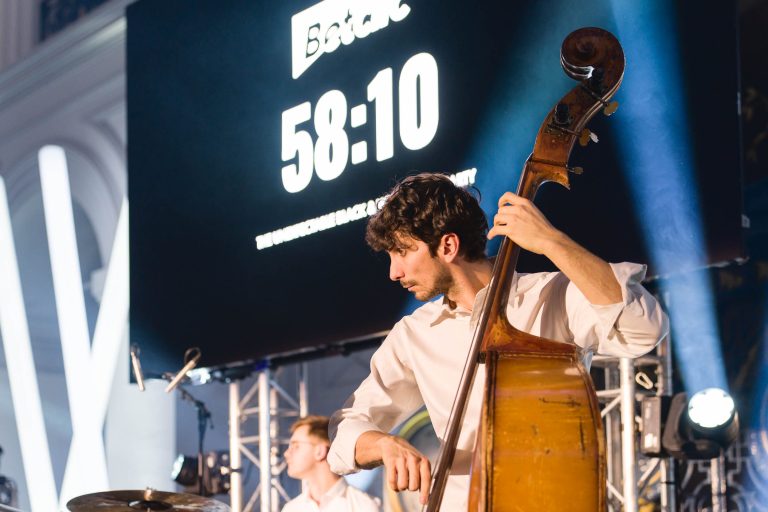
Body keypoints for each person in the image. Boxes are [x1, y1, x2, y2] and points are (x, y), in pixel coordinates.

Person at [327, 172, 669, 510]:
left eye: (401, 252)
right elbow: (345, 430)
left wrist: (552, 241)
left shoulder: (551, 296)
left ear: (447, 245)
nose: (394, 272)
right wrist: (383, 444)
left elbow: (645, 329)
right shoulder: (414, 333)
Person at [282, 415, 381, 512]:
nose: (286, 453)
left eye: (296, 446)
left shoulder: (364, 506)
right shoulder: (291, 508)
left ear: (320, 451)